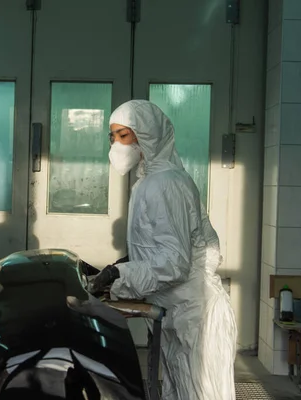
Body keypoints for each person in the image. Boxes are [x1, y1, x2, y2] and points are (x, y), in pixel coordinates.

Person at [90, 100, 237, 400]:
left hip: (195, 320)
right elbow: (164, 245)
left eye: (123, 135)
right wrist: (127, 262)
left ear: (148, 136)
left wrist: (121, 274)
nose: (116, 144)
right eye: (113, 136)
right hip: (180, 315)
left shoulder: (165, 184)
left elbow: (174, 263)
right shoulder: (153, 181)